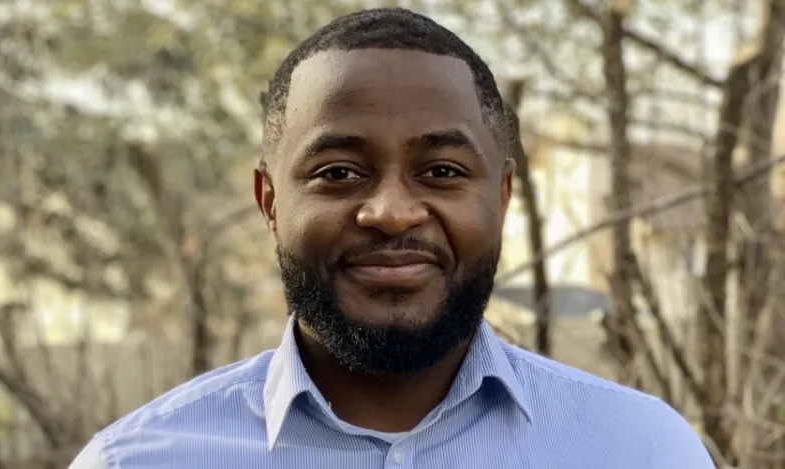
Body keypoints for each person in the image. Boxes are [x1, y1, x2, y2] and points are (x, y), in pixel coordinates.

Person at [70, 7, 715, 469]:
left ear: (503, 197)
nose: (391, 212)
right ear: (269, 201)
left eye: (441, 171)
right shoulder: (136, 460)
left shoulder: (641, 449)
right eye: (339, 173)